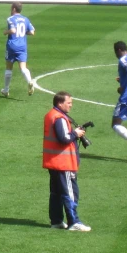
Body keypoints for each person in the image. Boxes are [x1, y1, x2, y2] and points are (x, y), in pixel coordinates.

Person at [43, 91, 91, 231]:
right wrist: (76, 133)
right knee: (70, 193)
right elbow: (64, 138)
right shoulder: (59, 118)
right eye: (68, 103)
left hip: (54, 161)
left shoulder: (51, 115)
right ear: (60, 103)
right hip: (63, 163)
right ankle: (74, 222)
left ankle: (56, 221)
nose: (71, 105)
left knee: (56, 193)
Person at [1, 2, 36, 98]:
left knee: (9, 67)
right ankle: (29, 81)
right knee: (23, 67)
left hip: (12, 45)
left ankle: (6, 90)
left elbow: (13, 30)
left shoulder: (10, 19)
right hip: (22, 46)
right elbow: (32, 32)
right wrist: (24, 32)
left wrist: (5, 32)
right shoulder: (26, 19)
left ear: (13, 9)